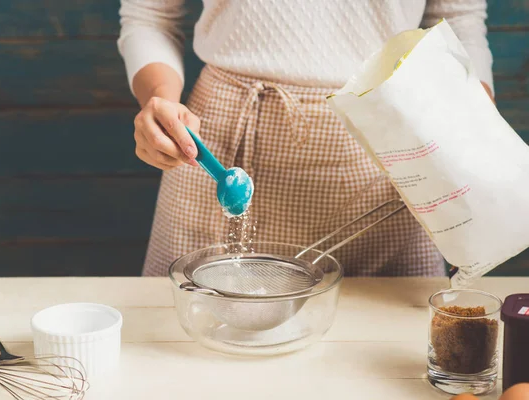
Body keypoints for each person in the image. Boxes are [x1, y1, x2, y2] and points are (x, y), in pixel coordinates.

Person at [117, 0, 495, 277]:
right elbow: (150, 15)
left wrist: (476, 126)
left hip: (384, 150)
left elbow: (458, 20)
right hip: (219, 143)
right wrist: (161, 102)